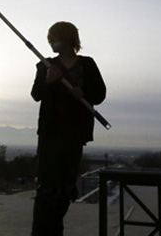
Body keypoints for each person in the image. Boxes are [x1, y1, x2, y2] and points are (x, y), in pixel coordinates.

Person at [30, 21, 106, 236]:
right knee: (46, 188)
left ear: (67, 39)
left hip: (74, 134)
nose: (50, 42)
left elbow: (99, 94)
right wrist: (48, 80)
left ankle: (54, 231)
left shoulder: (87, 65)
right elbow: (36, 95)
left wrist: (84, 92)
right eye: (49, 38)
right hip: (49, 134)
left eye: (53, 38)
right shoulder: (45, 65)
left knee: (65, 187)